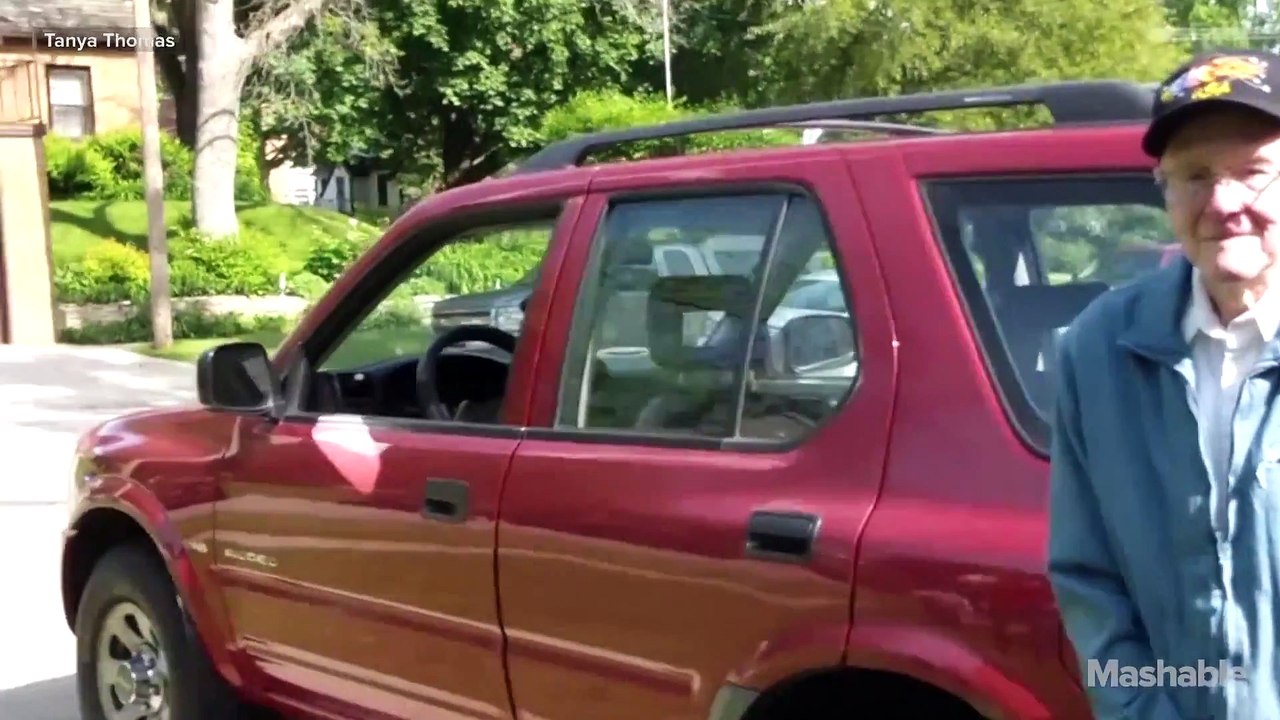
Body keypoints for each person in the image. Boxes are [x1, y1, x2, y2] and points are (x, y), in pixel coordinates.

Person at [1048, 49, 1280, 719]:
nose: (1224, 202)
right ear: (1164, 189)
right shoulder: (1099, 350)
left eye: (1253, 173)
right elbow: (1088, 577)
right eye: (1196, 176)